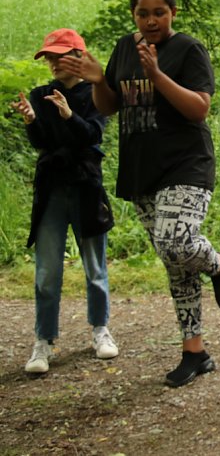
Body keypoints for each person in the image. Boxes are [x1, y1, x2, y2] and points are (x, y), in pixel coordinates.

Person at [60, 0, 220, 387]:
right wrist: (97, 81)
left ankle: (219, 264)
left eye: (159, 12)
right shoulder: (125, 47)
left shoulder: (188, 50)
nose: (151, 20)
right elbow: (108, 107)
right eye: (143, 13)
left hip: (186, 164)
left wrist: (157, 74)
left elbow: (200, 108)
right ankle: (195, 352)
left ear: (172, 12)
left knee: (178, 242)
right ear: (134, 16)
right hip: (142, 170)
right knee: (173, 261)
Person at [11, 28, 117, 374]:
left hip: (86, 186)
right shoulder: (42, 94)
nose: (54, 63)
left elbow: (93, 134)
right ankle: (43, 341)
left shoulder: (96, 94)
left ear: (78, 57)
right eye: (49, 57)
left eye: (59, 56)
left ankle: (101, 330)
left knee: (95, 268)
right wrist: (30, 120)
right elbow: (42, 142)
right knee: (46, 273)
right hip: (52, 188)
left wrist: (70, 114)